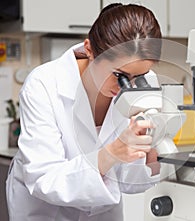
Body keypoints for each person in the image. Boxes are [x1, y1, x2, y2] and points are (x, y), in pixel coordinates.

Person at [6, 3, 162, 221]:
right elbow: (44, 179)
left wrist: (152, 149)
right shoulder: (44, 84)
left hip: (103, 213)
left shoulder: (143, 84)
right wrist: (111, 154)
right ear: (89, 50)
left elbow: (131, 181)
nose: (128, 87)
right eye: (120, 74)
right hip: (45, 212)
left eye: (140, 76)